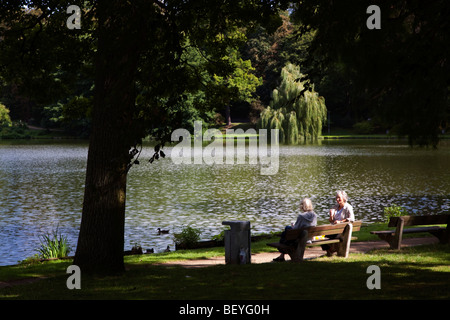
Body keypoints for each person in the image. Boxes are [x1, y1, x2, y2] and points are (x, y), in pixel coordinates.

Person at [273, 198, 317, 262]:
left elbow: (295, 229)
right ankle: (281, 256)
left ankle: (282, 252)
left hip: (300, 238)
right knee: (287, 233)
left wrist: (293, 226)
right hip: (309, 238)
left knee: (287, 228)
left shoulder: (301, 216)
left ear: (302, 206)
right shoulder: (314, 215)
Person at [322, 190, 355, 256]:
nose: (337, 199)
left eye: (339, 197)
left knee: (325, 238)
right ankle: (329, 250)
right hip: (334, 230)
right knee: (322, 237)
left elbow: (352, 219)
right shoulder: (335, 207)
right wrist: (331, 216)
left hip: (342, 231)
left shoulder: (348, 207)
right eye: (336, 198)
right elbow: (331, 221)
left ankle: (330, 251)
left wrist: (340, 222)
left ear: (344, 198)